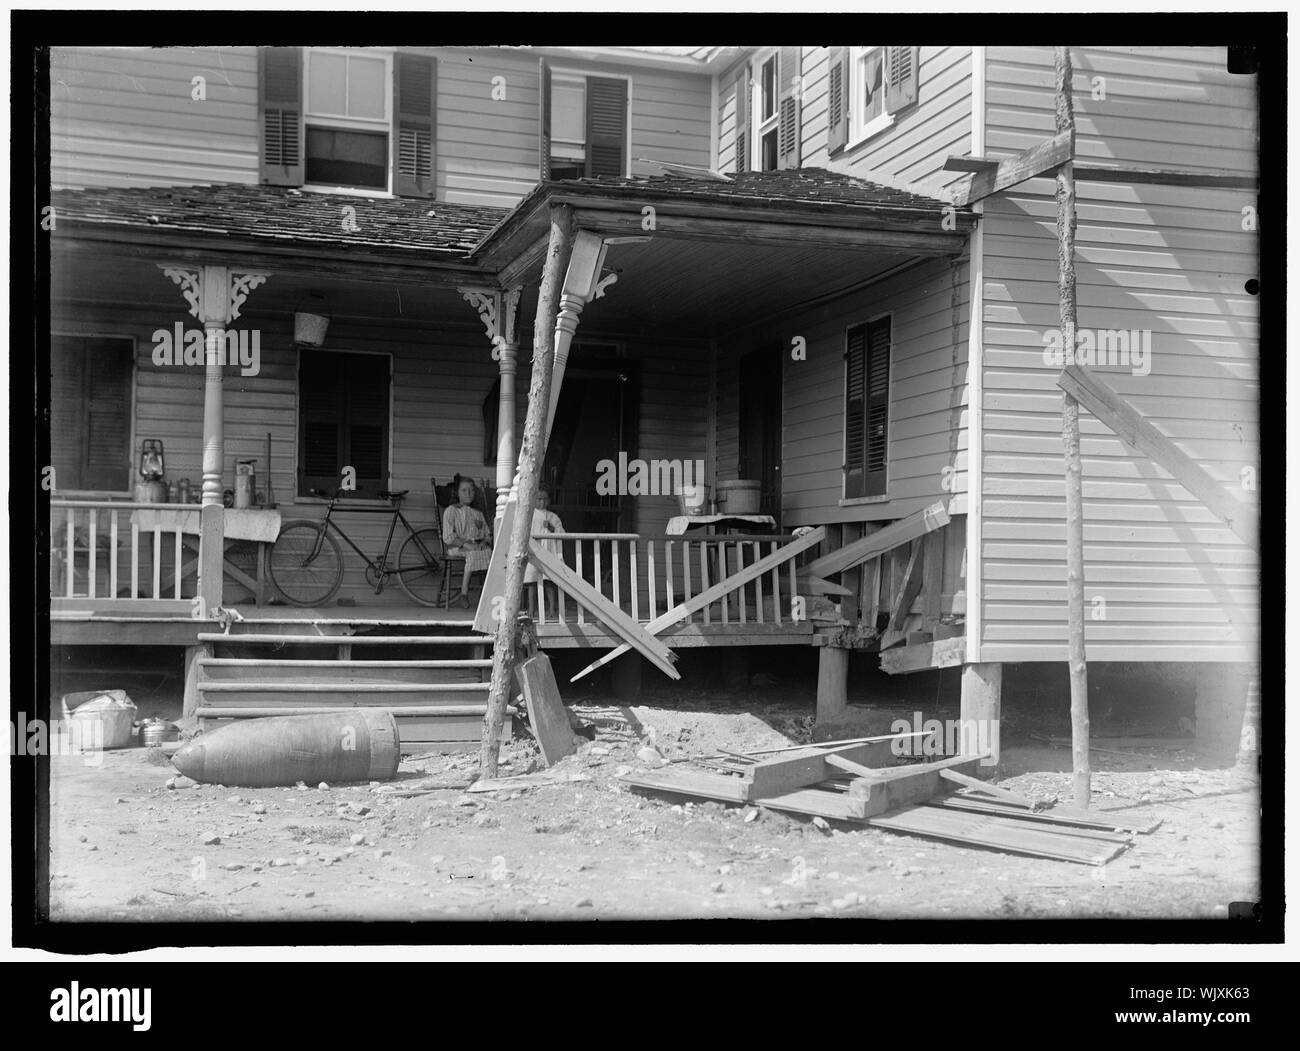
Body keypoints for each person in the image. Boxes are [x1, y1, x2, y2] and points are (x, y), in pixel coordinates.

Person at [443, 476, 492, 608]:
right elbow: (448, 535)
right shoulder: (451, 511)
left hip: (476, 546)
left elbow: (487, 534)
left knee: (490, 554)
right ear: (457, 493)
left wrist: (484, 543)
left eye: (471, 491)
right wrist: (466, 544)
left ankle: (489, 593)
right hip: (457, 547)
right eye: (464, 490)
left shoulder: (478, 513)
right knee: (472, 554)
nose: (468, 494)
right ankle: (464, 593)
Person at [524, 489, 564, 617]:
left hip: (548, 550)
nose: (542, 502)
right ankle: (531, 608)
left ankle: (552, 608)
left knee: (548, 581)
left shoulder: (553, 516)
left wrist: (552, 528)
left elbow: (562, 533)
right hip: (533, 550)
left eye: (545, 499)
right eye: (539, 499)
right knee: (532, 581)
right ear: (533, 500)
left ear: (549, 501)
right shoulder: (529, 515)